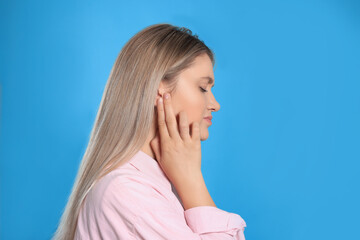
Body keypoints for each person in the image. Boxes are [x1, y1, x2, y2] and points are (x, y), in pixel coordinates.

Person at [52, 23, 247, 240]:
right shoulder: (127, 192)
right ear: (158, 89)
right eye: (202, 88)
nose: (214, 104)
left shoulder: (151, 182)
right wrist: (192, 179)